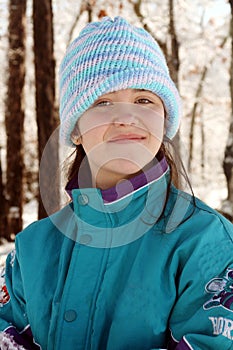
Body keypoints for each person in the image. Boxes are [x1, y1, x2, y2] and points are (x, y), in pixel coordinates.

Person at [0, 16, 233, 350]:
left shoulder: (209, 245)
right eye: (103, 101)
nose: (126, 117)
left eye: (144, 100)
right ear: (75, 128)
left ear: (165, 118)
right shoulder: (30, 252)